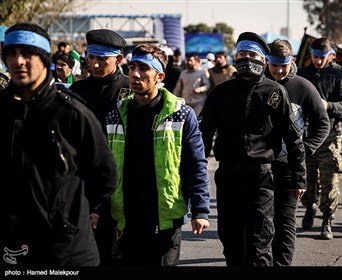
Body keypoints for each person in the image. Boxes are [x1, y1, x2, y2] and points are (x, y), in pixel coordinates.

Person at [0, 23, 117, 266]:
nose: (18, 61)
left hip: (66, 248)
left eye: (27, 53)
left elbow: (104, 175)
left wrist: (65, 213)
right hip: (11, 248)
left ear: (43, 59)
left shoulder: (71, 113)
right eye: (11, 53)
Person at [199, 31, 306, 267]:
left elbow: (293, 138)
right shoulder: (220, 94)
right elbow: (202, 138)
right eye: (242, 54)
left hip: (260, 177)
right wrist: (193, 175)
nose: (246, 59)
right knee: (231, 239)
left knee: (260, 240)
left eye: (251, 54)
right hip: (227, 176)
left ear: (263, 60)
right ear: (234, 58)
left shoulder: (275, 92)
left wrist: (299, 177)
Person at [106, 43, 210, 266]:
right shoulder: (117, 113)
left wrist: (200, 209)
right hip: (126, 215)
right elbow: (104, 165)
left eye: (144, 68)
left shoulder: (181, 114)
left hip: (164, 215)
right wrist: (97, 208)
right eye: (132, 66)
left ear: (159, 75)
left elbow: (195, 163)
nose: (134, 74)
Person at [265, 39, 330, 266]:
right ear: (266, 61)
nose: (279, 70)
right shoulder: (258, 83)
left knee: (285, 222)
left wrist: (305, 149)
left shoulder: (303, 87)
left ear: (291, 60)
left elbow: (323, 123)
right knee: (260, 222)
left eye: (284, 65)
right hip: (259, 166)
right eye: (274, 65)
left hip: (289, 168)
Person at [69, 28, 130, 266]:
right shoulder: (77, 90)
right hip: (84, 181)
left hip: (121, 181)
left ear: (119, 59)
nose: (94, 65)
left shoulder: (129, 91)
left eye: (102, 59)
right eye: (91, 58)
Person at [297, 37, 342, 240]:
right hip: (306, 134)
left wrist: (327, 105)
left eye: (322, 57)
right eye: (315, 56)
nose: (318, 60)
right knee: (307, 178)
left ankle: (327, 219)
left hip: (330, 134)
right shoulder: (302, 74)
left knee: (330, 180)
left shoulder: (338, 75)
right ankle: (310, 205)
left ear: (331, 56)